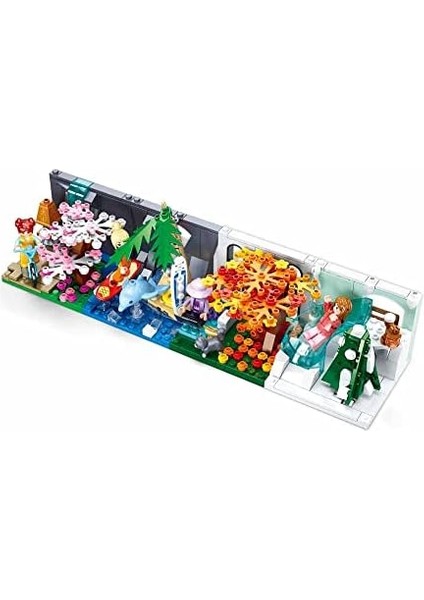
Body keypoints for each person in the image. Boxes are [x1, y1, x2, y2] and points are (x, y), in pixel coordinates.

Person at [292, 295, 352, 363]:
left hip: (324, 334)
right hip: (318, 327)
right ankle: (299, 348)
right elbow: (326, 308)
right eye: (336, 306)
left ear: (344, 312)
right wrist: (327, 302)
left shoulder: (338, 321)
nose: (336, 308)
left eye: (340, 309)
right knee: (306, 336)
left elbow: (334, 328)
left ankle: (303, 354)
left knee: (312, 343)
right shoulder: (330, 311)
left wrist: (332, 321)